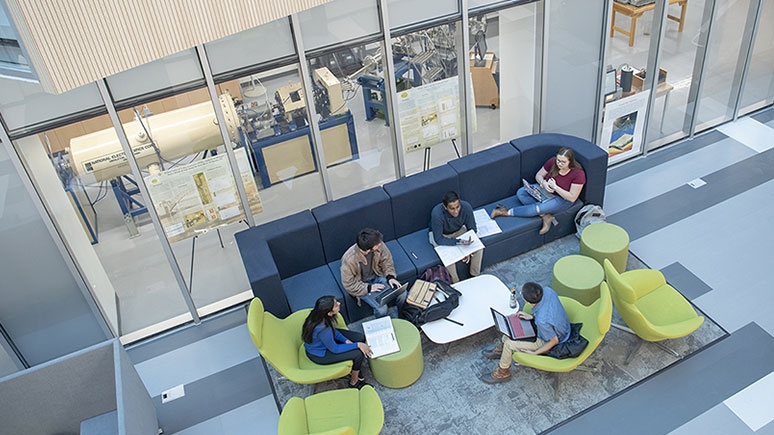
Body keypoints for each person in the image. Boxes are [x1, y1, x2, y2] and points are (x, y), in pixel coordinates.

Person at [480, 282, 570, 384]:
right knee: (511, 328)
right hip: (556, 326)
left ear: (527, 301)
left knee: (509, 344)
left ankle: (502, 372)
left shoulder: (541, 321)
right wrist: (532, 317)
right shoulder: (548, 291)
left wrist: (535, 352)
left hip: (550, 339)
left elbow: (554, 340)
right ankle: (502, 350)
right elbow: (550, 313)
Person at [491, 147, 586, 235]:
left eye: (563, 162)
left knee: (537, 208)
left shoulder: (578, 174)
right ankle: (546, 216)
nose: (559, 164)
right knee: (521, 192)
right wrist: (544, 183)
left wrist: (556, 187)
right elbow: (538, 175)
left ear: (570, 161)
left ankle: (506, 212)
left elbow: (572, 197)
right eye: (558, 160)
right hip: (546, 191)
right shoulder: (552, 162)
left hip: (563, 199)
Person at [303, 296, 372, 389]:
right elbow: (335, 348)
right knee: (358, 353)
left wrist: (346, 341)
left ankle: (354, 368)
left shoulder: (319, 316)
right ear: (329, 313)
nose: (339, 303)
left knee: (360, 337)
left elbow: (333, 331)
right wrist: (357, 345)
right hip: (320, 354)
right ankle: (354, 382)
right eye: (336, 305)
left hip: (326, 340)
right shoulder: (323, 328)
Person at [341, 228, 407, 318]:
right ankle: (383, 327)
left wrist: (390, 277)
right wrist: (369, 288)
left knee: (402, 294)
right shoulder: (349, 259)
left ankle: (404, 317)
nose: (381, 244)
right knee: (382, 309)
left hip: (378, 276)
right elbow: (349, 284)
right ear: (368, 249)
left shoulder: (379, 245)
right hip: (362, 285)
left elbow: (387, 261)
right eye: (378, 244)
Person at [429, 191, 483, 283]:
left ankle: (474, 276)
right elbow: (438, 239)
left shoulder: (466, 207)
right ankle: (456, 283)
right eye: (452, 209)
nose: (456, 211)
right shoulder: (437, 214)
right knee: (449, 258)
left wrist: (468, 250)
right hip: (441, 235)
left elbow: (472, 229)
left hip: (458, 231)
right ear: (445, 207)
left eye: (457, 207)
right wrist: (458, 242)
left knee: (478, 248)